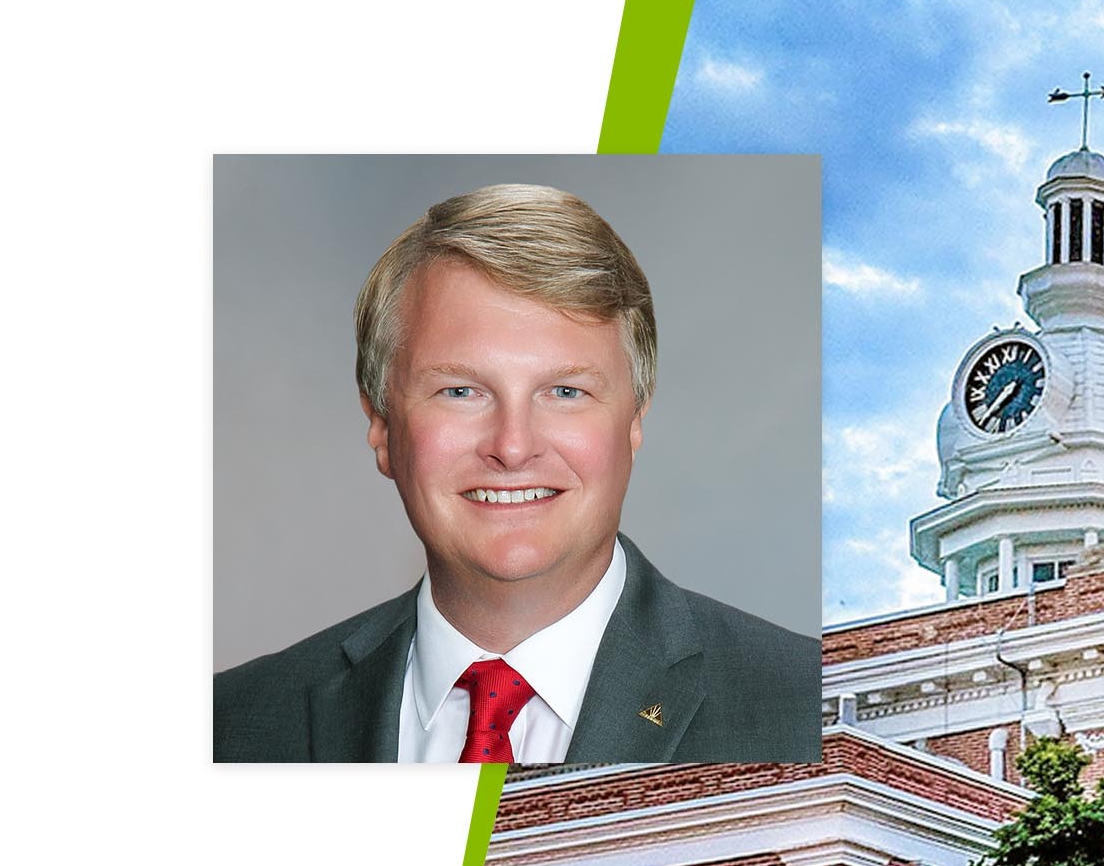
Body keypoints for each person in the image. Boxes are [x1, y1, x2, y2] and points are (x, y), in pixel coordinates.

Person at [214, 184, 821, 763]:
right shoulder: (231, 724)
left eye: (564, 391)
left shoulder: (798, 705)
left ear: (634, 421)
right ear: (382, 428)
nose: (512, 446)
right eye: (460, 390)